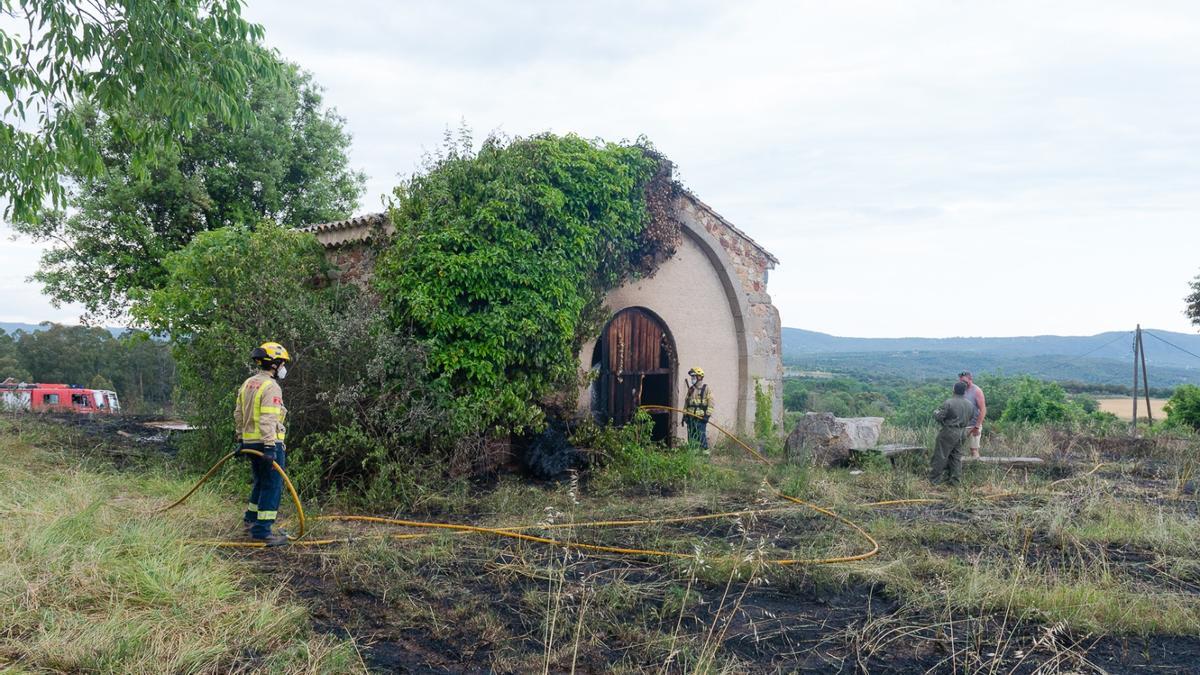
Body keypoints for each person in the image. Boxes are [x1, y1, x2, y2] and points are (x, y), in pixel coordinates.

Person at [234, 342, 291, 546]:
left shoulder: (248, 383)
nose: (284, 367)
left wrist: (241, 439)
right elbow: (268, 419)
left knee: (260, 481)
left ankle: (251, 520)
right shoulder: (271, 387)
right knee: (273, 485)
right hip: (267, 444)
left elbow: (238, 414)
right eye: (282, 363)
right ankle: (262, 531)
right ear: (274, 364)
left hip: (250, 443)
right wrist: (269, 447)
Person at [931, 381, 975, 485]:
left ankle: (934, 480)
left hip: (949, 431)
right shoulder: (970, 404)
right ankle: (955, 482)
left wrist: (935, 413)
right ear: (964, 392)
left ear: (954, 390)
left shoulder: (949, 402)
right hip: (963, 432)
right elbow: (971, 417)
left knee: (941, 455)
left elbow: (940, 416)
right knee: (956, 457)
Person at [683, 367, 714, 452]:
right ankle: (693, 452)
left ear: (700, 377)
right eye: (691, 377)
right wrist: (685, 415)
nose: (692, 379)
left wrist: (707, 416)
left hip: (701, 418)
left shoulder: (706, 389)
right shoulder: (691, 389)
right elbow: (686, 403)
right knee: (691, 435)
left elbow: (711, 404)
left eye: (694, 376)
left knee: (701, 435)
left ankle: (705, 452)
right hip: (690, 417)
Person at [958, 371, 987, 458]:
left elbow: (983, 410)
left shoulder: (977, 391)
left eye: (965, 381)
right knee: (956, 448)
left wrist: (977, 426)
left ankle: (977, 467)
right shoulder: (959, 390)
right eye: (961, 381)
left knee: (974, 449)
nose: (963, 383)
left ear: (971, 379)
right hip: (961, 425)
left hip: (973, 425)